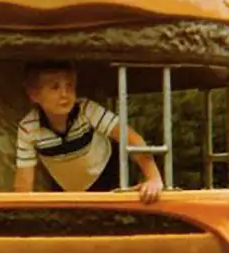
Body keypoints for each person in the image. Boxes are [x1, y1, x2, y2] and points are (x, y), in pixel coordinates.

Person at [14, 61, 163, 203]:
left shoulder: (86, 110)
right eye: (55, 87)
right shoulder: (28, 128)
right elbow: (24, 184)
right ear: (34, 95)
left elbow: (131, 138)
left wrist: (154, 179)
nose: (64, 94)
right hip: (66, 184)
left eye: (69, 85)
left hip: (106, 171)